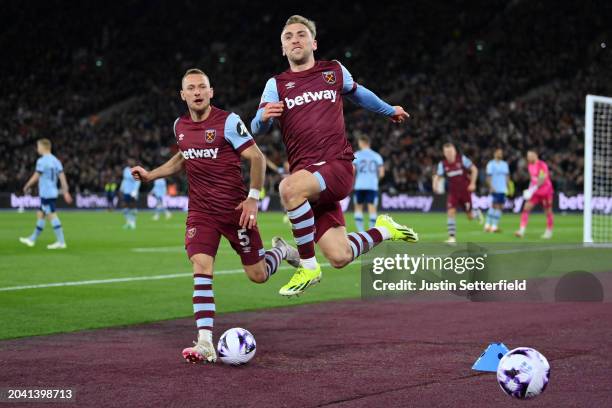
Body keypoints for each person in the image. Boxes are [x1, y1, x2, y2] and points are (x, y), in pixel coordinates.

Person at [131, 68, 299, 364]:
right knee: (201, 265)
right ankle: (205, 341)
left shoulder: (228, 122)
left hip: (235, 211)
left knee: (257, 275)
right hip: (201, 213)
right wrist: (150, 175)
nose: (197, 92)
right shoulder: (179, 126)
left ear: (211, 92)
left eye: (202, 87)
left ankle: (280, 250)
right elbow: (183, 156)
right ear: (183, 95)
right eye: (191, 88)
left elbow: (257, 158)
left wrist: (252, 198)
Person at [250, 15, 417, 297]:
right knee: (340, 256)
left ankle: (308, 266)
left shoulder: (333, 71)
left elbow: (359, 94)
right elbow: (256, 127)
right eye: (288, 37)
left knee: (288, 188)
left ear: (313, 42)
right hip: (311, 181)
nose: (295, 40)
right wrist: (262, 118)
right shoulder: (276, 84)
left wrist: (390, 109)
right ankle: (384, 230)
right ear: (282, 48)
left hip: (336, 166)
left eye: (301, 34)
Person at [19, 138, 73, 249]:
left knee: (51, 215)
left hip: (46, 193)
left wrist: (27, 185)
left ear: (44, 147)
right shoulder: (56, 161)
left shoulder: (42, 161)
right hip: (52, 192)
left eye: (38, 146)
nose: (37, 149)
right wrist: (66, 191)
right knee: (40, 214)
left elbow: (36, 176)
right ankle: (32, 239)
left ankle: (61, 242)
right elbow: (62, 177)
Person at [432, 143, 483, 244]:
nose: (449, 154)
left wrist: (473, 183)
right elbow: (437, 176)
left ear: (454, 151)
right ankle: (452, 238)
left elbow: (474, 169)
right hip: (453, 193)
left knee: (470, 216)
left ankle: (476, 212)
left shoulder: (462, 159)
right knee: (451, 212)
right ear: (444, 153)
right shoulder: (442, 164)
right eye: (447, 152)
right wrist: (435, 185)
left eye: (450, 151)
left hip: (465, 192)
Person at [515, 150, 554, 239]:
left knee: (548, 211)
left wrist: (532, 190)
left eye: (529, 156)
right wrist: (529, 189)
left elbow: (542, 179)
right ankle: (521, 230)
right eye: (527, 156)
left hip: (545, 191)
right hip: (535, 192)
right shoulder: (530, 165)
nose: (528, 158)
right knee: (526, 208)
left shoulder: (542, 165)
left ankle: (549, 231)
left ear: (535, 155)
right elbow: (533, 180)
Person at [352, 136, 384, 231]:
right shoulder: (377, 156)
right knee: (372, 209)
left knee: (358, 208)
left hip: (359, 185)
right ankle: (370, 232)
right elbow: (382, 173)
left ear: (362, 143)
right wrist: (375, 180)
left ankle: (361, 232)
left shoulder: (356, 155)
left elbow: (352, 171)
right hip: (372, 186)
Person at [484, 148, 510, 232]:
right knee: (494, 206)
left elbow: (506, 176)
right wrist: (491, 187)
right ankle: (489, 225)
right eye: (498, 153)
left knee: (500, 207)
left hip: (502, 189)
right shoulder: (491, 164)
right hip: (495, 188)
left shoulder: (505, 164)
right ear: (494, 154)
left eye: (501, 153)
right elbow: (488, 177)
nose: (500, 155)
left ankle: (491, 226)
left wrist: (508, 186)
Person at [120, 159, 140, 229]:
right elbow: (124, 180)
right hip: (126, 191)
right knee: (125, 207)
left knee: (133, 207)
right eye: (129, 161)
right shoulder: (125, 170)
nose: (130, 162)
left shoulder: (136, 171)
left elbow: (137, 182)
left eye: (131, 161)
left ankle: (133, 223)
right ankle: (128, 222)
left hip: (133, 192)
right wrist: (121, 188)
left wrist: (135, 191)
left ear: (134, 162)